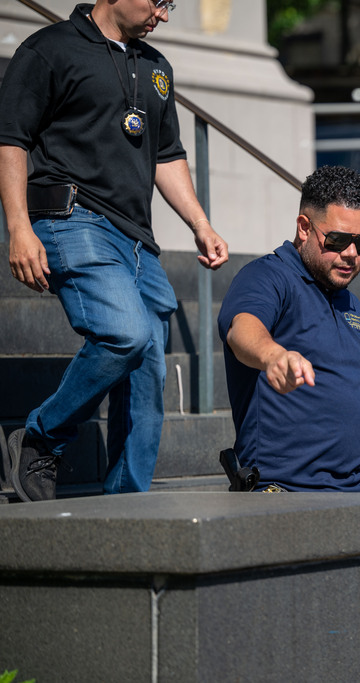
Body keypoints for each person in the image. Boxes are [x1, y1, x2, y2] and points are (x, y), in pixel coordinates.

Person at [0, 0, 229, 502]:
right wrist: (19, 228)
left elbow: (167, 155)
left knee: (147, 366)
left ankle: (128, 502)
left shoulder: (155, 67)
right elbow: (11, 140)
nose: (164, 15)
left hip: (138, 239)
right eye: (160, 1)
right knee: (126, 334)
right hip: (71, 217)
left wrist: (200, 223)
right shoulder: (49, 50)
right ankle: (41, 436)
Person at [218, 165, 360, 492]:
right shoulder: (268, 277)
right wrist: (273, 354)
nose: (351, 254)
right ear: (304, 227)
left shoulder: (352, 305)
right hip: (285, 490)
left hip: (356, 489)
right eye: (338, 240)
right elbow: (242, 329)